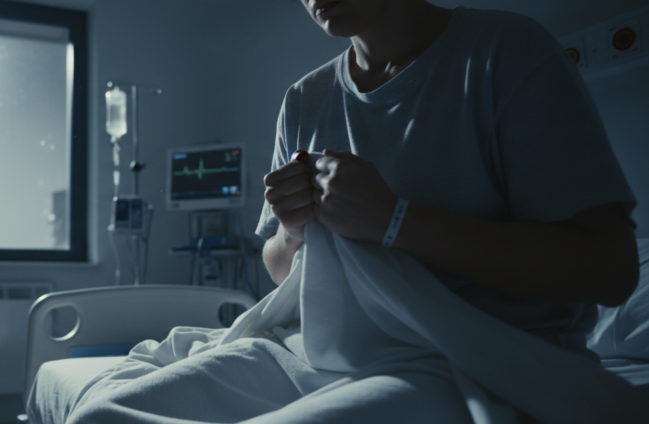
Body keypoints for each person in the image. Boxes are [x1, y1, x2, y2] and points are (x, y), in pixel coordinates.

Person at [260, 0, 639, 355]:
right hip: (347, 351)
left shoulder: (506, 51)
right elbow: (279, 270)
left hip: (497, 358)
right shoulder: (303, 100)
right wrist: (291, 233)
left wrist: (395, 221)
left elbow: (610, 270)